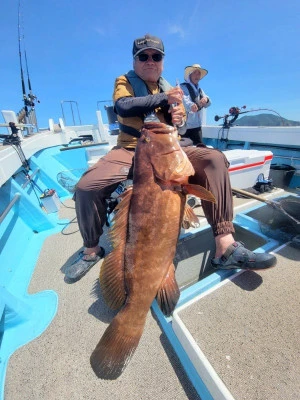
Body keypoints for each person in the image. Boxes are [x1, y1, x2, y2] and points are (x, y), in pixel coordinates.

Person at [65, 34, 276, 281]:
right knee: (86, 187)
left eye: (156, 56)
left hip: (168, 148)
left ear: (163, 61)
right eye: (143, 56)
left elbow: (183, 125)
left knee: (214, 159)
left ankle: (225, 246)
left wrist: (180, 118)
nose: (150, 61)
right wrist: (166, 99)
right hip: (132, 148)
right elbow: (123, 106)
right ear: (135, 61)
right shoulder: (125, 81)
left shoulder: (170, 88)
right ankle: (92, 249)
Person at [180, 64, 211, 145]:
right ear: (190, 75)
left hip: (197, 126)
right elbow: (184, 100)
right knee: (184, 150)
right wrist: (191, 106)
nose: (197, 76)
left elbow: (209, 103)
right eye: (195, 73)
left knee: (200, 148)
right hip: (185, 127)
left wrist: (206, 99)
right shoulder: (183, 87)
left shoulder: (200, 90)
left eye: (199, 74)